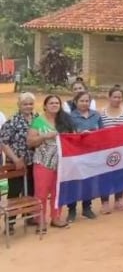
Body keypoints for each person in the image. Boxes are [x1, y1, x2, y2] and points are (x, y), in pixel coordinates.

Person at [26, 95, 73, 231]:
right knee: (41, 192)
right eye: (51, 103)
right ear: (45, 106)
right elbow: (30, 142)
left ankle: (56, 217)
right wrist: (44, 136)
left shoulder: (64, 120)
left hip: (61, 163)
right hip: (43, 162)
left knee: (58, 192)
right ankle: (40, 220)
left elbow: (73, 137)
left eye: (57, 103)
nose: (54, 105)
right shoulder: (38, 121)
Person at [0, 92, 36, 234]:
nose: (28, 106)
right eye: (25, 104)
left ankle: (29, 217)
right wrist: (15, 159)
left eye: (30, 104)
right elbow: (4, 142)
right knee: (15, 192)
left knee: (31, 190)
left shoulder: (37, 119)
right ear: (19, 105)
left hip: (34, 161)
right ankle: (10, 223)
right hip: (16, 163)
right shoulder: (12, 121)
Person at [67, 90, 103, 222]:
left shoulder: (96, 115)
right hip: (75, 154)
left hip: (92, 153)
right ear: (75, 102)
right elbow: (67, 135)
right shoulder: (69, 117)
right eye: (81, 101)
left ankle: (87, 208)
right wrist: (80, 134)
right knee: (74, 182)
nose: (84, 103)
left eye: (87, 101)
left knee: (89, 181)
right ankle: (71, 210)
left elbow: (103, 132)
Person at [99, 86, 123, 213]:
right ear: (109, 97)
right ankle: (105, 202)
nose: (117, 99)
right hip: (106, 150)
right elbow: (97, 130)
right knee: (105, 176)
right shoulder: (101, 112)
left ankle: (119, 200)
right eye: (115, 97)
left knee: (120, 175)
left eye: (119, 97)